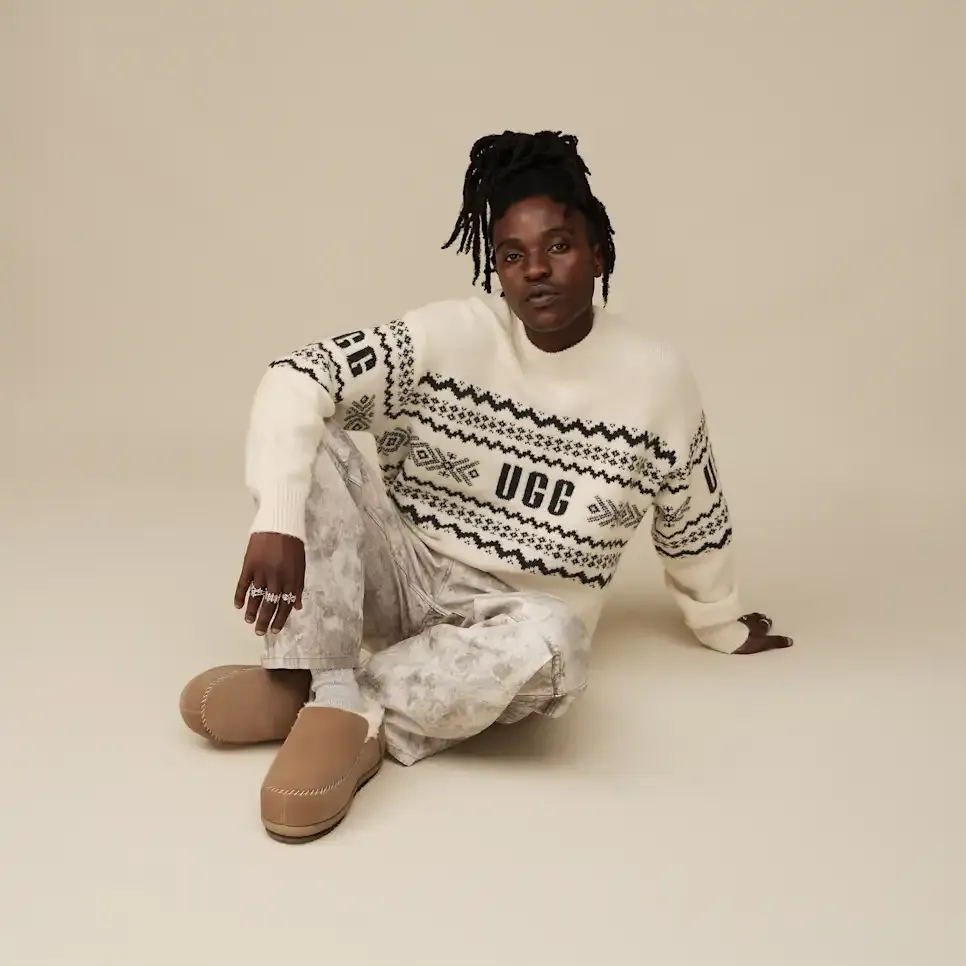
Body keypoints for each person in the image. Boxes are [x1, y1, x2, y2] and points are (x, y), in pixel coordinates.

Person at [179, 130, 792, 844]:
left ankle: (333, 693)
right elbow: (296, 376)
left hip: (511, 619)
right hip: (404, 572)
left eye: (559, 246)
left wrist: (720, 619)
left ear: (599, 253)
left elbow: (691, 510)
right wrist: (277, 521)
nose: (537, 271)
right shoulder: (452, 336)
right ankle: (333, 688)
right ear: (495, 269)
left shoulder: (656, 379)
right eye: (512, 255)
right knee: (313, 435)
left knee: (559, 645)